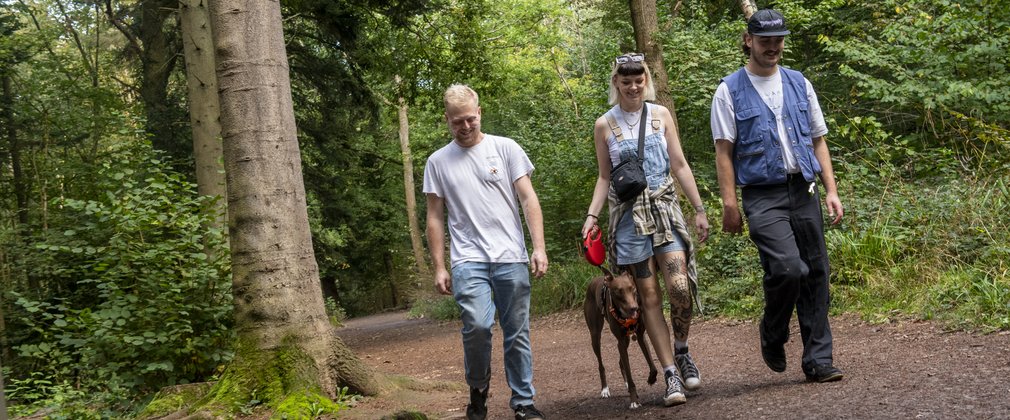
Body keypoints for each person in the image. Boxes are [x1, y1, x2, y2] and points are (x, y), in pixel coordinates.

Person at [710, 9, 844, 383]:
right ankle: (773, 331)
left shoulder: (800, 83)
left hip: (805, 188)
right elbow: (724, 152)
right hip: (762, 195)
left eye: (778, 40)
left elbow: (818, 140)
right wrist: (730, 204)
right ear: (748, 40)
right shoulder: (729, 90)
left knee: (816, 272)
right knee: (788, 268)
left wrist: (831, 190)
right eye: (766, 40)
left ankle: (818, 360)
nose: (773, 47)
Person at [581, 53, 710, 407]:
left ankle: (681, 350)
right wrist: (592, 217)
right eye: (626, 82)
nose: (633, 87)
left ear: (646, 80)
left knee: (680, 288)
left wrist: (699, 209)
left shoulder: (661, 115)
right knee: (649, 297)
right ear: (616, 84)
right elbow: (605, 176)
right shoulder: (604, 125)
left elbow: (679, 164)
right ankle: (670, 374)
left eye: (639, 81)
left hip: (665, 211)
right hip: (628, 222)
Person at [424, 84, 549, 420]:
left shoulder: (506, 149)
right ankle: (478, 390)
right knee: (477, 326)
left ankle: (523, 401)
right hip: (468, 260)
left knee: (516, 331)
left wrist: (538, 247)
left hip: (511, 256)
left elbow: (528, 198)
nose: (465, 127)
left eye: (469, 119)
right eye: (456, 122)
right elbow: (434, 218)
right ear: (447, 120)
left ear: (479, 112)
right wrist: (439, 267)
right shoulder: (437, 162)